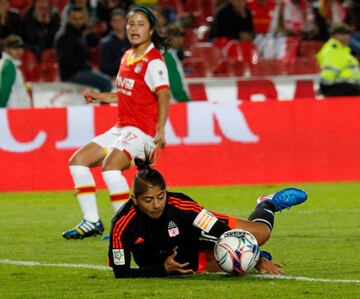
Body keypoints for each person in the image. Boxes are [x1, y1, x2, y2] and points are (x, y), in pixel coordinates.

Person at [62, 6, 170, 239]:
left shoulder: (154, 62)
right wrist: (102, 97)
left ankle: (128, 227)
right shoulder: (127, 56)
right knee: (78, 161)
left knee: (110, 168)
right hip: (123, 127)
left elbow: (163, 95)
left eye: (141, 24)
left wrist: (160, 131)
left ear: (151, 30)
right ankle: (91, 221)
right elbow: (127, 94)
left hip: (143, 132)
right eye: (131, 23)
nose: (134, 28)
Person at [108, 152, 308, 278]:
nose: (157, 205)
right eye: (148, 200)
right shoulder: (122, 224)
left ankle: (267, 203)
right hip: (182, 257)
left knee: (261, 235)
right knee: (234, 267)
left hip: (194, 232)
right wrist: (162, 270)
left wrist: (255, 257)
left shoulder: (180, 204)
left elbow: (217, 228)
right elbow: (121, 272)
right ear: (134, 200)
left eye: (161, 197)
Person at [54, 4, 112, 92]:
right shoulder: (64, 36)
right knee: (106, 82)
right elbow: (68, 61)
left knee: (106, 79)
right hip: (72, 73)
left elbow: (95, 40)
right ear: (69, 18)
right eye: (74, 18)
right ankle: (104, 106)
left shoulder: (79, 32)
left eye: (80, 18)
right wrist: (87, 67)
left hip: (80, 71)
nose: (78, 21)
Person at [316, 24, 360, 97]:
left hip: (350, 91)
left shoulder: (344, 51)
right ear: (333, 36)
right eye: (341, 34)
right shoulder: (333, 50)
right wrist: (325, 88)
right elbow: (328, 76)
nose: (345, 37)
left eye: (347, 34)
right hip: (341, 92)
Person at [0, 35, 31, 108]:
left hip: (15, 112)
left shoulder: (8, 64)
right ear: (7, 49)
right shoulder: (9, 66)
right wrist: (1, 112)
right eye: (15, 48)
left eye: (21, 47)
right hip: (14, 113)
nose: (19, 50)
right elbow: (4, 91)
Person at [99, 8, 131, 77]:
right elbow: (104, 67)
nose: (118, 23)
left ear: (125, 22)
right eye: (115, 21)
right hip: (114, 77)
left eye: (120, 20)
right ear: (111, 23)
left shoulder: (133, 40)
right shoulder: (105, 43)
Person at [163, 23, 191, 102]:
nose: (181, 39)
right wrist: (187, 102)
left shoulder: (171, 55)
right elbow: (176, 86)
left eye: (181, 36)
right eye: (177, 36)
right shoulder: (168, 57)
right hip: (176, 104)